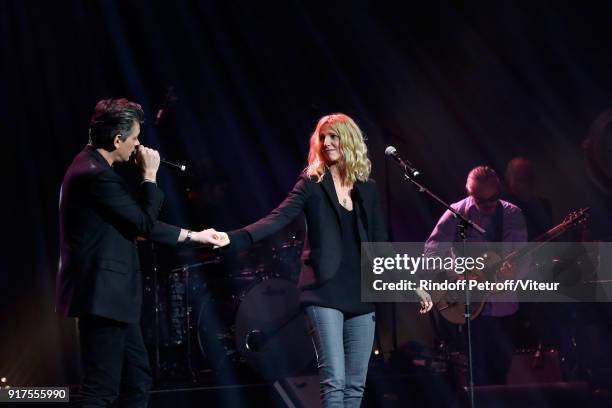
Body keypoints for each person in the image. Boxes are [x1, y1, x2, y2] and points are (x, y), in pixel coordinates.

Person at [228, 113, 432, 407]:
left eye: (333, 136)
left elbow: (381, 246)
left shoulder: (367, 189)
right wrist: (231, 237)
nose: (326, 142)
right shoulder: (311, 183)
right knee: (334, 381)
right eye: (322, 137)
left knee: (355, 387)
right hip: (323, 292)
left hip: (360, 294)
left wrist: (411, 284)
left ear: (348, 140)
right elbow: (278, 218)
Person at [56, 98, 229, 407]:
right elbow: (145, 223)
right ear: (118, 139)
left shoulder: (94, 168)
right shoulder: (94, 175)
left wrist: (194, 235)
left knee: (137, 380)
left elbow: (136, 224)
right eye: (134, 139)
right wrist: (149, 176)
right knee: (101, 390)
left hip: (114, 298)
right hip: (102, 298)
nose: (139, 146)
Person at [424, 165, 527, 385]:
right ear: (471, 194)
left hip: (504, 306)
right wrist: (455, 277)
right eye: (482, 200)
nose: (489, 206)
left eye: (494, 198)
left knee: (501, 373)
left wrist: (514, 272)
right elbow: (431, 251)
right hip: (470, 308)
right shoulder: (456, 211)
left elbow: (522, 257)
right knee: (477, 376)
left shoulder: (513, 214)